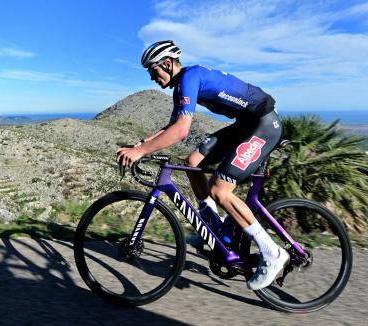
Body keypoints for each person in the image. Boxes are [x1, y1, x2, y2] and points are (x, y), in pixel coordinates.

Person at [116, 40, 288, 290]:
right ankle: (213, 227)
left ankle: (272, 253)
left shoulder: (189, 77)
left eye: (153, 71)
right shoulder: (183, 83)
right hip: (245, 124)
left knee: (220, 190)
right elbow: (171, 126)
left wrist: (141, 152)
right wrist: (139, 144)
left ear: (166, 63)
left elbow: (181, 131)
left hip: (262, 124)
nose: (152, 78)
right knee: (193, 162)